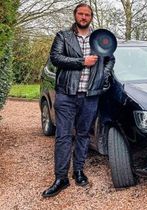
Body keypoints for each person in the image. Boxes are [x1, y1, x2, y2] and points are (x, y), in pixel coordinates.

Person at [42, 3, 115, 197]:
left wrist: (102, 76)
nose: (83, 17)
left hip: (90, 96)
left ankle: (79, 171)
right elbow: (56, 58)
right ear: (75, 15)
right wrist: (82, 62)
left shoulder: (100, 39)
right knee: (63, 136)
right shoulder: (63, 37)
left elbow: (110, 60)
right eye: (80, 14)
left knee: (83, 134)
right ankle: (61, 178)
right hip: (66, 94)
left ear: (91, 17)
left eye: (87, 14)